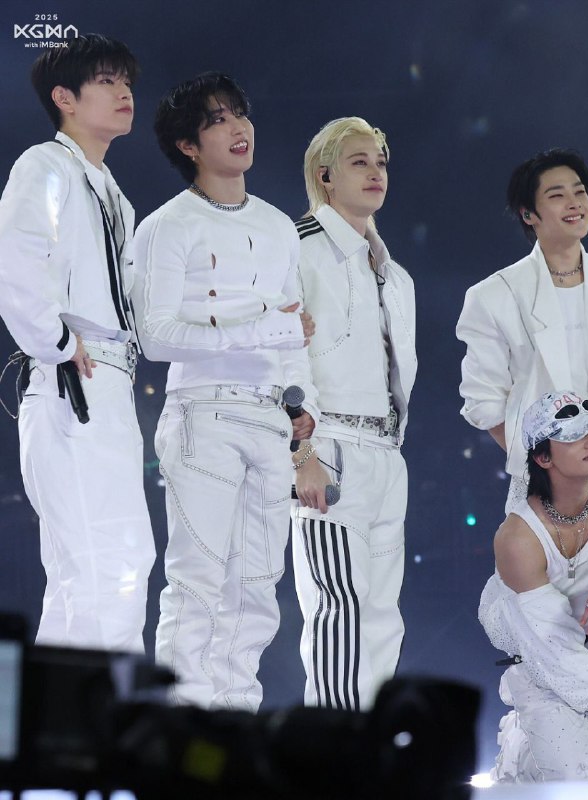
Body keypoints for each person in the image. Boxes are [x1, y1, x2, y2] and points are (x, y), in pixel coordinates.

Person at [132, 72, 317, 711]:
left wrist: (304, 417)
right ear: (188, 145)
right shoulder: (167, 225)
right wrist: (266, 329)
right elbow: (156, 336)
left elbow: (298, 336)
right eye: (217, 121)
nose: (238, 129)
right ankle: (180, 729)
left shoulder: (278, 226)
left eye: (240, 114)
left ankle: (234, 728)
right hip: (202, 414)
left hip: (270, 419)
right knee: (197, 583)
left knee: (257, 590)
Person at [0, 34, 155, 651]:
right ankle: (100, 707)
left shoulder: (112, 191)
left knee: (108, 567)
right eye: (107, 82)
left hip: (110, 383)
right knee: (101, 569)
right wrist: (58, 341)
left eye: (127, 82)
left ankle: (67, 707)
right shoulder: (46, 165)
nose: (124, 93)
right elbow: (16, 262)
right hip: (72, 380)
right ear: (64, 98)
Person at [290, 117, 417, 711]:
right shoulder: (297, 248)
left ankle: (371, 745)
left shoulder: (395, 276)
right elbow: (282, 358)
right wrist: (302, 455)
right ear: (325, 176)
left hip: (387, 455)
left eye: (381, 162)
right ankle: (335, 748)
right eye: (359, 161)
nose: (375, 173)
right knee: (338, 607)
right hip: (330, 448)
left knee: (383, 616)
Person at [456, 149, 588, 513]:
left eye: (579, 191)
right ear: (528, 214)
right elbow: (485, 403)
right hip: (545, 490)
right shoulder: (495, 297)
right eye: (557, 195)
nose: (574, 203)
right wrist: (548, 467)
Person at [479, 389, 588, 782]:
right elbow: (556, 653)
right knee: (582, 776)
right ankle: (521, 750)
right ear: (543, 457)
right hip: (544, 664)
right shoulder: (517, 539)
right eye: (576, 435)